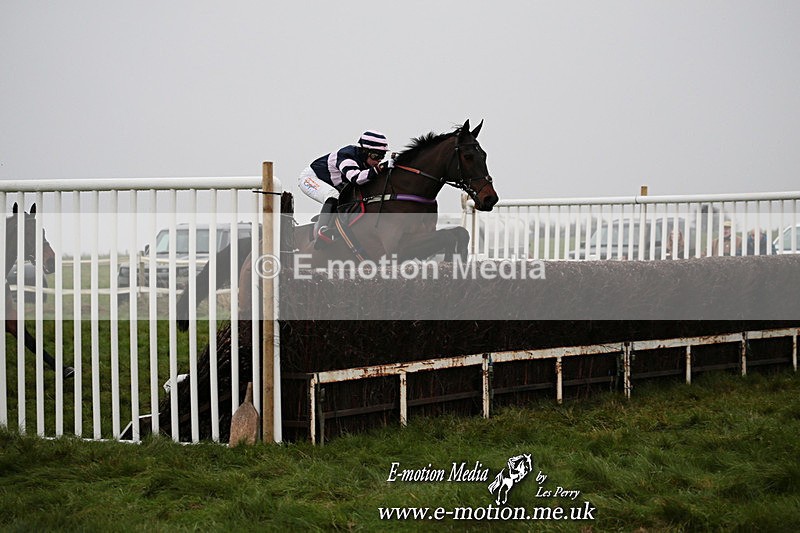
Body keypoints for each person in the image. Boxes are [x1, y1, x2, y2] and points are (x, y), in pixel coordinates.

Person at [297, 131, 389, 248]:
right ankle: (322, 232)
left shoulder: (365, 161)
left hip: (333, 183)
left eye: (382, 157)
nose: (378, 161)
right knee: (333, 195)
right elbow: (356, 178)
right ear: (364, 151)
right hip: (310, 178)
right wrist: (380, 168)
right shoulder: (347, 155)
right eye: (376, 156)